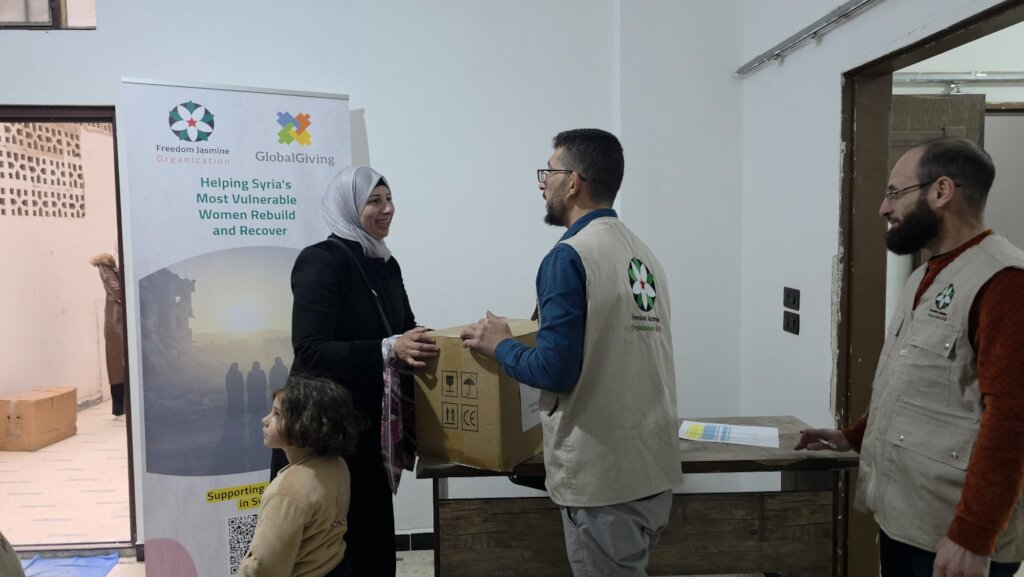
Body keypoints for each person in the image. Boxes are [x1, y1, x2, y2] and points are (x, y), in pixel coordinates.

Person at [796, 137, 1024, 577]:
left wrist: (974, 535)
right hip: (906, 519)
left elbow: (1013, 419)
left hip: (956, 537)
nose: (884, 208)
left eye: (894, 192)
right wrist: (855, 436)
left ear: (941, 191)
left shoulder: (1005, 282)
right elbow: (918, 382)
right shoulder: (924, 275)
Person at [461, 129, 682, 576]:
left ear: (574, 182)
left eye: (549, 172)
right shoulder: (642, 255)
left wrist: (500, 345)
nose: (542, 183)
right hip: (652, 468)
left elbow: (555, 370)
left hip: (604, 481)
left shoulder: (569, 257)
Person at [274, 165, 439, 577]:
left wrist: (447, 341)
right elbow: (310, 349)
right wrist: (389, 347)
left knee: (371, 538)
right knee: (326, 548)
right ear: (348, 207)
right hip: (324, 430)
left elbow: (403, 329)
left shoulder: (385, 264)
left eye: (389, 199)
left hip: (371, 427)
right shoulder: (322, 260)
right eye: (374, 201)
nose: (387, 209)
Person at [240, 375, 359, 577]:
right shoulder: (337, 465)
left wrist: (245, 569)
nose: (265, 420)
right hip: (335, 566)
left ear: (305, 424)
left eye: (277, 414)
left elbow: (265, 567)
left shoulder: (286, 493)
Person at [89, 252, 126, 416]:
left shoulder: (125, 262)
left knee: (128, 361)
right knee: (117, 361)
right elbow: (118, 291)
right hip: (116, 319)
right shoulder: (105, 264)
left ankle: (131, 404)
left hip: (126, 317)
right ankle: (120, 406)